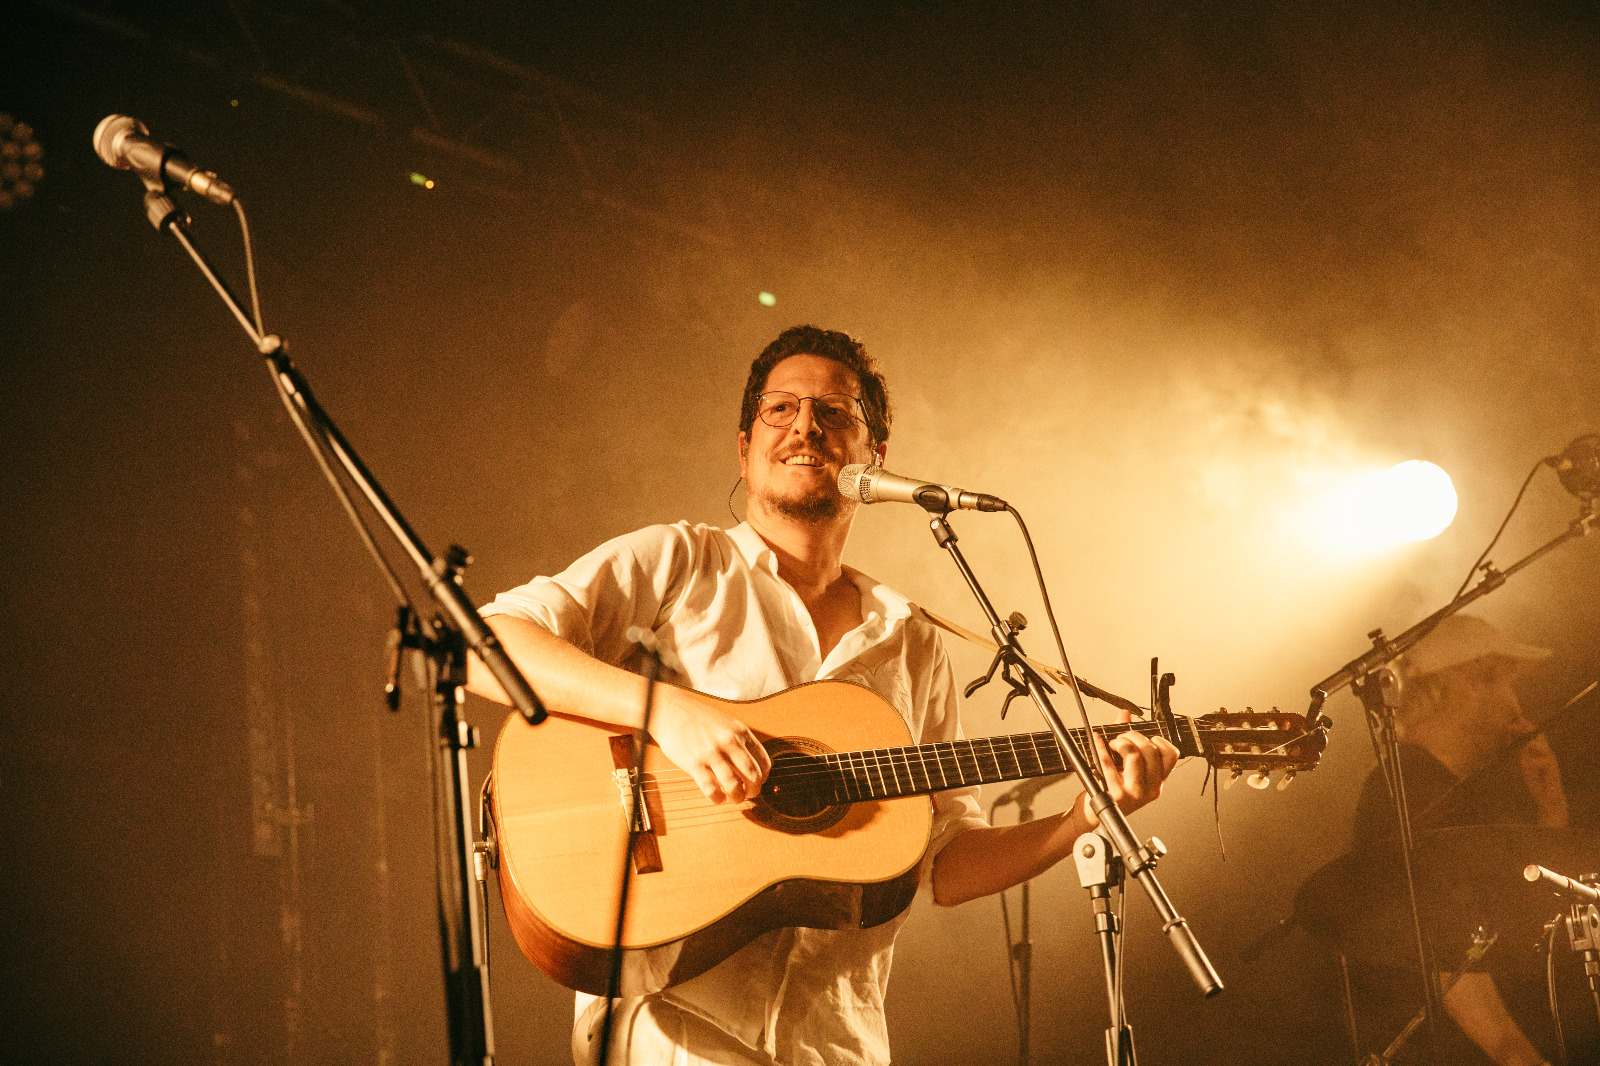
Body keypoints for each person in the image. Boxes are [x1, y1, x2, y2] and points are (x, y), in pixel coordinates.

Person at [466, 325, 1180, 1066]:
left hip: (834, 1042)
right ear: (744, 447)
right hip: (670, 1017)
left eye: (834, 413)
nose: (805, 426)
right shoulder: (681, 563)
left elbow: (944, 860)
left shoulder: (911, 640)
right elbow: (481, 642)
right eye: (781, 408)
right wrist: (668, 713)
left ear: (874, 458)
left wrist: (1084, 818)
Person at [1350, 613, 1570, 1066]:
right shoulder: (1405, 789)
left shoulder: (1460, 790)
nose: (1515, 704)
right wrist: (1518, 1057)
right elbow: (1445, 953)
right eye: (1504, 682)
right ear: (1464, 682)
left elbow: (1524, 928)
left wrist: (1552, 811)